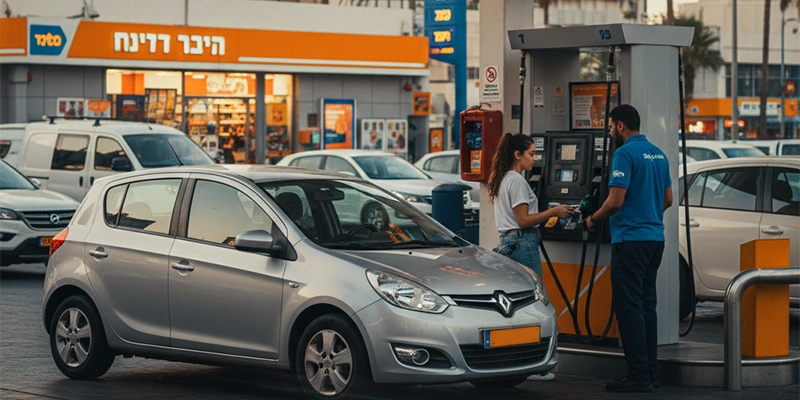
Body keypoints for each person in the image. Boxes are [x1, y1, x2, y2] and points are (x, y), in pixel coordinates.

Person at [585, 105, 673, 393]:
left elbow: (615, 201)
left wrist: (593, 218)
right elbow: (668, 199)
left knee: (629, 308)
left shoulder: (624, 154)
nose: (610, 131)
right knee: (647, 306)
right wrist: (647, 213)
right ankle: (648, 372)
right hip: (654, 239)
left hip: (630, 240)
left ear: (621, 125)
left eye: (610, 127)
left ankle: (637, 376)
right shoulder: (658, 154)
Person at [487, 132, 574, 382]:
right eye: (532, 154)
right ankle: (538, 364)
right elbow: (524, 220)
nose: (535, 159)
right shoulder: (517, 181)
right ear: (517, 155)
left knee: (517, 305)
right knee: (535, 304)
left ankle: (521, 362)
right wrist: (554, 211)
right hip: (522, 242)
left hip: (510, 241)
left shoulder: (504, 178)